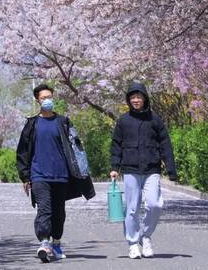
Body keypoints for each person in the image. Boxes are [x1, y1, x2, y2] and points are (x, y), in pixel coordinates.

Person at [17, 83, 95, 263]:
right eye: (43, 98)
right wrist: (25, 176)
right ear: (37, 100)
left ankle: (57, 243)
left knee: (59, 212)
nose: (47, 100)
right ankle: (44, 243)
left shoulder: (63, 122)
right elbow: (23, 151)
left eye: (49, 97)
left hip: (61, 175)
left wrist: (82, 170)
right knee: (44, 210)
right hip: (39, 175)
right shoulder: (32, 124)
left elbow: (77, 147)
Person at [110, 82, 177, 260]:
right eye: (132, 97)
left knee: (155, 204)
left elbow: (165, 145)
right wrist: (114, 167)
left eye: (139, 97)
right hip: (130, 169)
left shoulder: (155, 119)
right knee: (132, 209)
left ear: (145, 98)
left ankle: (145, 237)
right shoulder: (123, 121)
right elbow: (116, 145)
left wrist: (171, 169)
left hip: (151, 169)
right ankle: (133, 243)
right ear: (128, 100)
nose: (136, 100)